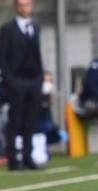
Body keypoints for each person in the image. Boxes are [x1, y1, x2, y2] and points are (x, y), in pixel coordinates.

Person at [0, 0, 44, 170]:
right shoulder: (7, 30)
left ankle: (28, 156)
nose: (25, 8)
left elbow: (37, 55)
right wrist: (10, 80)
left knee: (30, 120)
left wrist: (39, 77)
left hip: (33, 80)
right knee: (15, 121)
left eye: (28, 5)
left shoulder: (35, 27)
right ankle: (13, 159)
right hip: (16, 81)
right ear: (16, 7)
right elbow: (3, 58)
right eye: (22, 5)